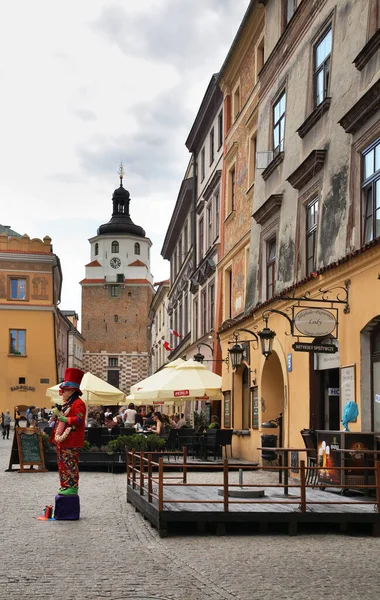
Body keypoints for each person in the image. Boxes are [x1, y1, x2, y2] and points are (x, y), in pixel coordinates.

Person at [49, 368, 86, 496]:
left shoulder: (78, 403)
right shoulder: (68, 404)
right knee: (63, 464)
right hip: (64, 441)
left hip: (71, 440)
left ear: (72, 391)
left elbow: (79, 419)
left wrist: (66, 419)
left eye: (64, 390)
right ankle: (65, 485)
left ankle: (73, 486)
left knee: (70, 464)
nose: (62, 393)